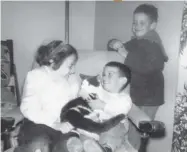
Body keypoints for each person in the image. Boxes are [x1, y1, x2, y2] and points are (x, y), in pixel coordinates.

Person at [110, 3, 168, 150]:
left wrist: (126, 54)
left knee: (139, 130)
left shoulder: (154, 44)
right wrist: (114, 43)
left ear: (152, 25)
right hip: (137, 92)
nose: (137, 26)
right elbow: (119, 46)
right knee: (131, 130)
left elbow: (150, 66)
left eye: (142, 23)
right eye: (135, 22)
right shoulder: (136, 41)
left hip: (150, 95)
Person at [16, 40, 83, 152]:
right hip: (39, 123)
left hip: (65, 126)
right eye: (70, 65)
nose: (73, 70)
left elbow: (76, 106)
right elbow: (29, 108)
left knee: (70, 145)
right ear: (53, 61)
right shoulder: (37, 76)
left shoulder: (73, 80)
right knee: (40, 144)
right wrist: (53, 123)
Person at [79, 61, 136, 152]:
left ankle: (106, 148)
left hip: (114, 123)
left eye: (110, 74)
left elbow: (122, 111)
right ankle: (89, 145)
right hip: (95, 122)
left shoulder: (124, 98)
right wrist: (94, 79)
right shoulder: (98, 89)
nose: (105, 77)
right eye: (104, 74)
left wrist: (103, 106)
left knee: (112, 132)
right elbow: (84, 89)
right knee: (84, 131)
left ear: (122, 80)